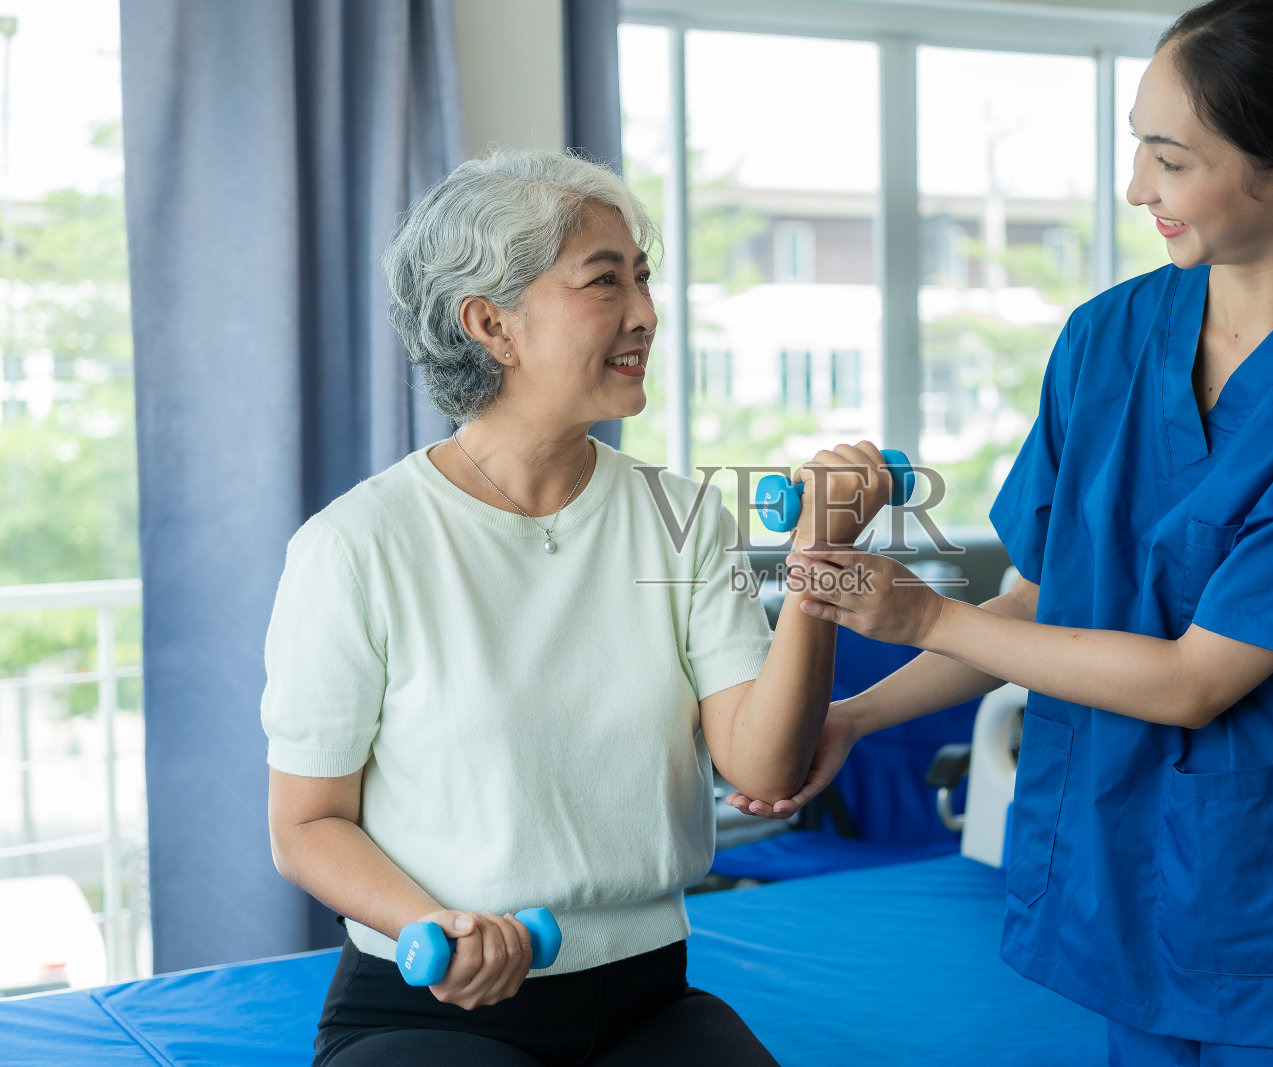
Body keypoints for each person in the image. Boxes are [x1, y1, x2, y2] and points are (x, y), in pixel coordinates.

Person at [733, 1, 1273, 1064]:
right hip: (1124, 855)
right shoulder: (1106, 338)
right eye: (1135, 141)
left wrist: (918, 614)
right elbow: (1041, 601)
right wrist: (857, 718)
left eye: (1169, 157)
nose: (1135, 185)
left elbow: (1196, 679)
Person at [261, 147, 895, 1066]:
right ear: (492, 324)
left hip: (649, 997)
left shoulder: (684, 516)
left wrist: (816, 559)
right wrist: (437, 924)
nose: (645, 312)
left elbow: (763, 758)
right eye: (605, 281)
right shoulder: (358, 544)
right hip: (431, 1007)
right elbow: (307, 822)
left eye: (643, 277)